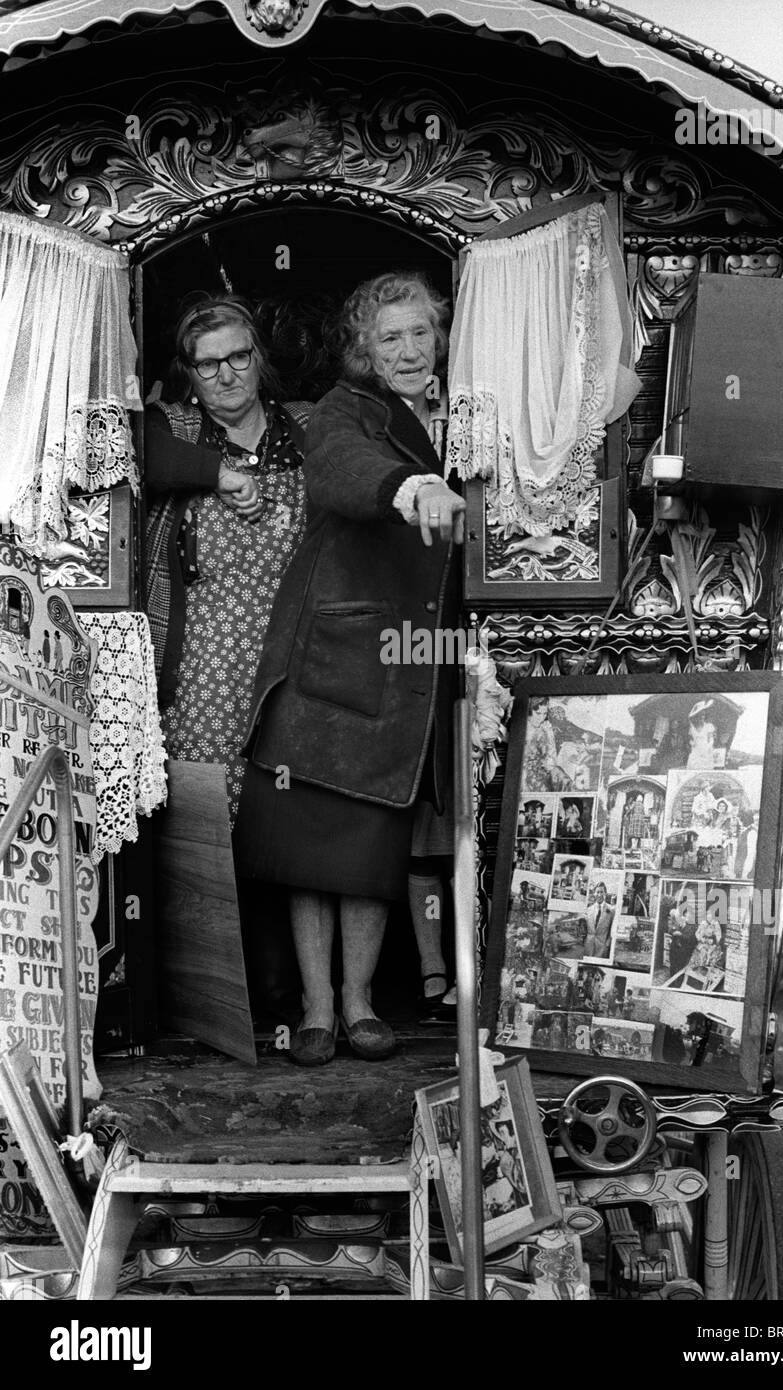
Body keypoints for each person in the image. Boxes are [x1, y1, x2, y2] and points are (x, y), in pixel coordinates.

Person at [235, 272, 465, 1065]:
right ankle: (317, 1006)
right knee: (310, 844)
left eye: (420, 333)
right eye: (389, 337)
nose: (408, 350)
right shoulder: (348, 408)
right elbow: (336, 466)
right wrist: (409, 486)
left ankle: (362, 1000)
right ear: (363, 349)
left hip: (406, 664)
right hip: (333, 654)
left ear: (439, 338)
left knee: (371, 847)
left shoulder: (464, 413)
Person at [144, 294, 308, 1023]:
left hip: (290, 669)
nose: (226, 374)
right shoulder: (176, 430)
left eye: (238, 356)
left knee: (285, 831)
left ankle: (284, 997)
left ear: (258, 358)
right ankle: (207, 1006)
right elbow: (133, 453)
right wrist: (221, 474)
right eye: (209, 364)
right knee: (207, 832)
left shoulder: (305, 430)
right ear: (189, 373)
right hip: (203, 673)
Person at [585, 881, 615, 957]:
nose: (599, 895)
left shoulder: (611, 910)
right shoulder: (589, 909)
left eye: (602, 892)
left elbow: (612, 929)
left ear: (605, 893)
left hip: (602, 948)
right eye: (597, 892)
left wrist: (607, 944)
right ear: (594, 893)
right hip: (589, 946)